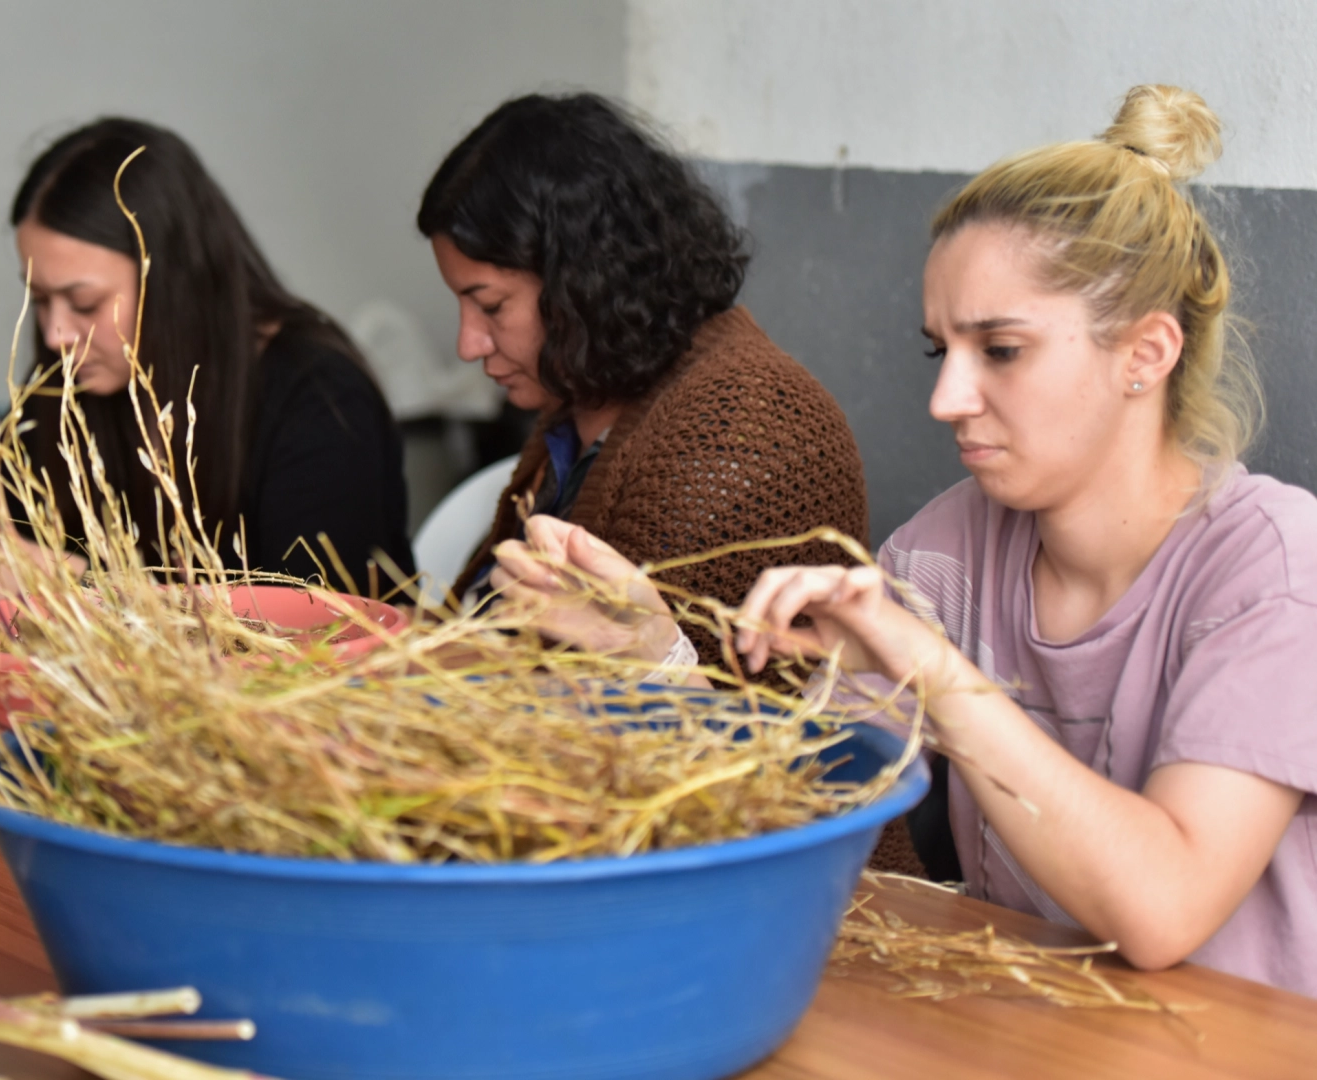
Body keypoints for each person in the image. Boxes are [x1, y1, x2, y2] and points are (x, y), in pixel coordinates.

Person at [494, 85, 1317, 996]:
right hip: (1036, 1033)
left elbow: (1163, 908)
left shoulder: (1274, 569)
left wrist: (936, 676)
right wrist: (659, 663)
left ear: (1146, 355)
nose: (946, 400)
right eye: (942, 352)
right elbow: (797, 810)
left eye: (1000, 350)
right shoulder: (945, 552)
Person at [0, 118, 413, 614]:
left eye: (83, 304)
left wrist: (77, 587)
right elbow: (11, 549)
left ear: (174, 284)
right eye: (38, 301)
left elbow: (315, 623)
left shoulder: (318, 395)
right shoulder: (66, 382)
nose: (55, 335)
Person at [418, 92, 868, 670]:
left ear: (581, 283)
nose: (467, 344)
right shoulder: (578, 397)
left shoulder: (741, 428)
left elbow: (669, 709)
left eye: (492, 307)